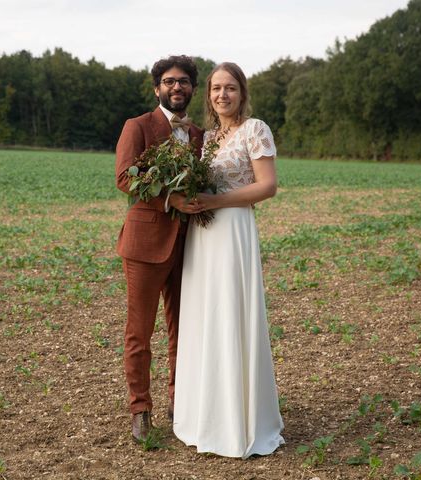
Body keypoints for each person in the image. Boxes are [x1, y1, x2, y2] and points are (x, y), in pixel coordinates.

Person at [172, 62, 285, 458]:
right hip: (203, 236)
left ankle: (241, 421)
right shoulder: (207, 138)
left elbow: (267, 186)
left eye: (231, 88)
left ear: (242, 92)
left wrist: (217, 201)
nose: (223, 95)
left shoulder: (255, 129)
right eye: (216, 88)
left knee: (232, 314)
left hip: (233, 229)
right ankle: (206, 415)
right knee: (205, 316)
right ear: (209, 95)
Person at [115, 55, 205, 442]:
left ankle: (178, 402)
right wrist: (171, 199)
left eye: (183, 81)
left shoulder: (200, 135)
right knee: (140, 332)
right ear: (157, 88)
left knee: (183, 330)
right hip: (146, 243)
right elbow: (125, 178)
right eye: (169, 81)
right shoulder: (138, 126)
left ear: (192, 89)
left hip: (191, 246)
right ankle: (140, 409)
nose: (177, 87)